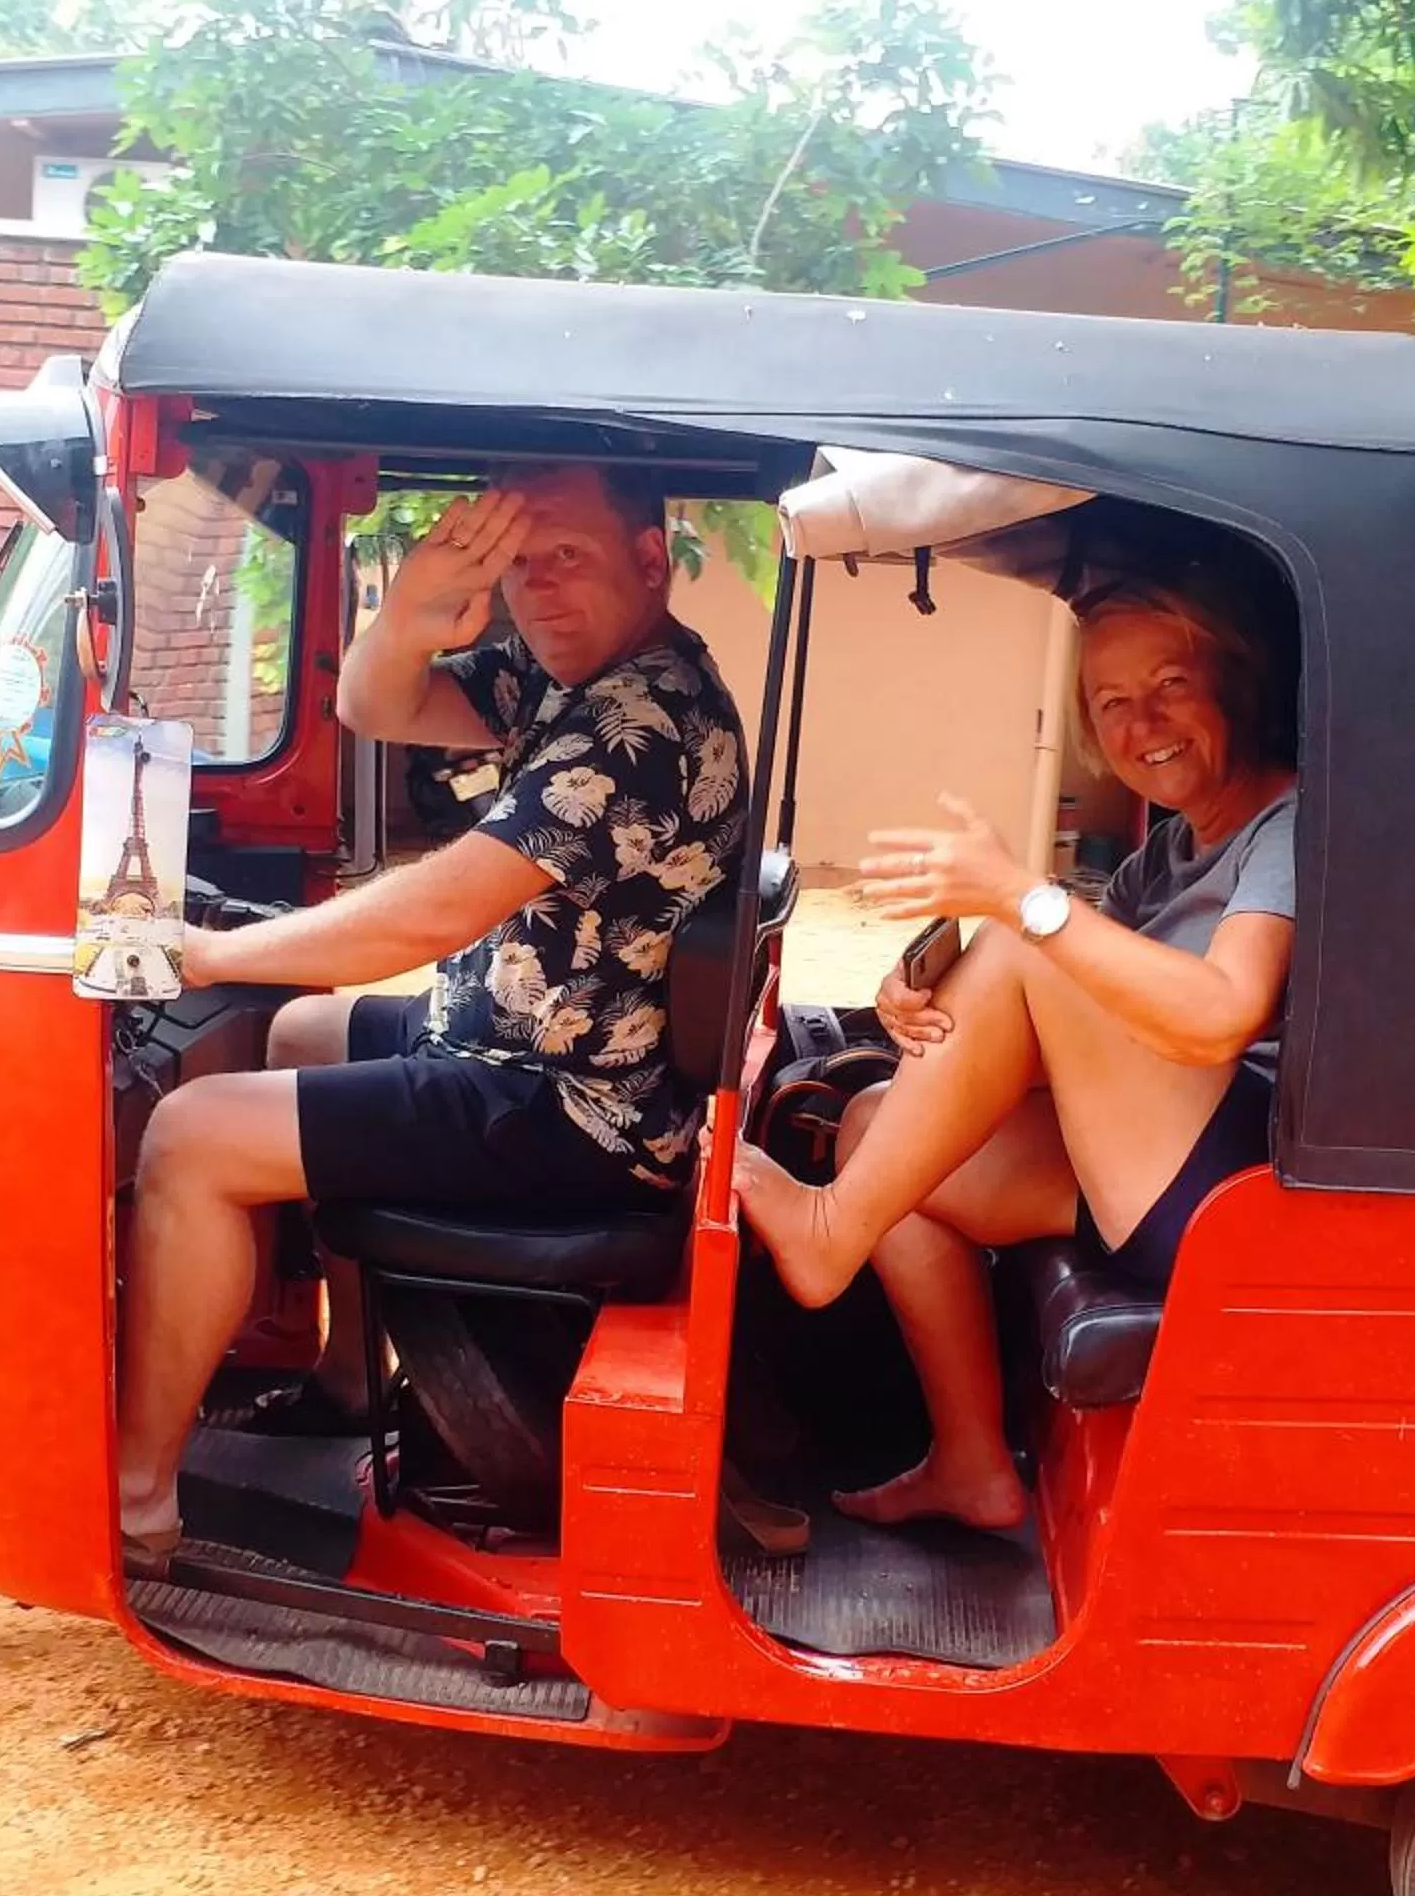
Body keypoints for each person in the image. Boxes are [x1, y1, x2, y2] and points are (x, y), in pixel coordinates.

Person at [115, 465, 748, 1569]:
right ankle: (350, 1380)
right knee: (303, 1032)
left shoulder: (639, 724)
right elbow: (375, 707)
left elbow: (429, 914)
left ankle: (134, 1498)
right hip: (528, 1030)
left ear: (651, 561)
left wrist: (203, 952)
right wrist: (408, 614)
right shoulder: (574, 670)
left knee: (189, 1137)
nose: (539, 589)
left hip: (570, 1104)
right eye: (520, 563)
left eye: (569, 557)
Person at [735, 565, 1297, 1531]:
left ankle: (827, 1235)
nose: (1144, 723)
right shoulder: (1171, 851)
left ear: (1235, 686)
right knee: (876, 1130)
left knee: (1025, 936)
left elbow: (1218, 1015)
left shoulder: (1289, 825)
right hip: (1159, 1167)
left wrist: (1018, 902)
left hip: (1241, 1195)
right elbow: (1081, 1017)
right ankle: (972, 1464)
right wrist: (928, 1004)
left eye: (1171, 685)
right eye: (1112, 703)